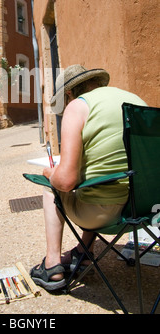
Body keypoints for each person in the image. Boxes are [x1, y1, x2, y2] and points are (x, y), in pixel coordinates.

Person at [30, 64, 147, 291]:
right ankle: (84, 252)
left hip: (105, 213)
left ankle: (52, 266)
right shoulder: (134, 100)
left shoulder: (78, 107)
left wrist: (51, 173)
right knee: (95, 179)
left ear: (70, 93)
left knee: (51, 186)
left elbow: (65, 181)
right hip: (145, 209)